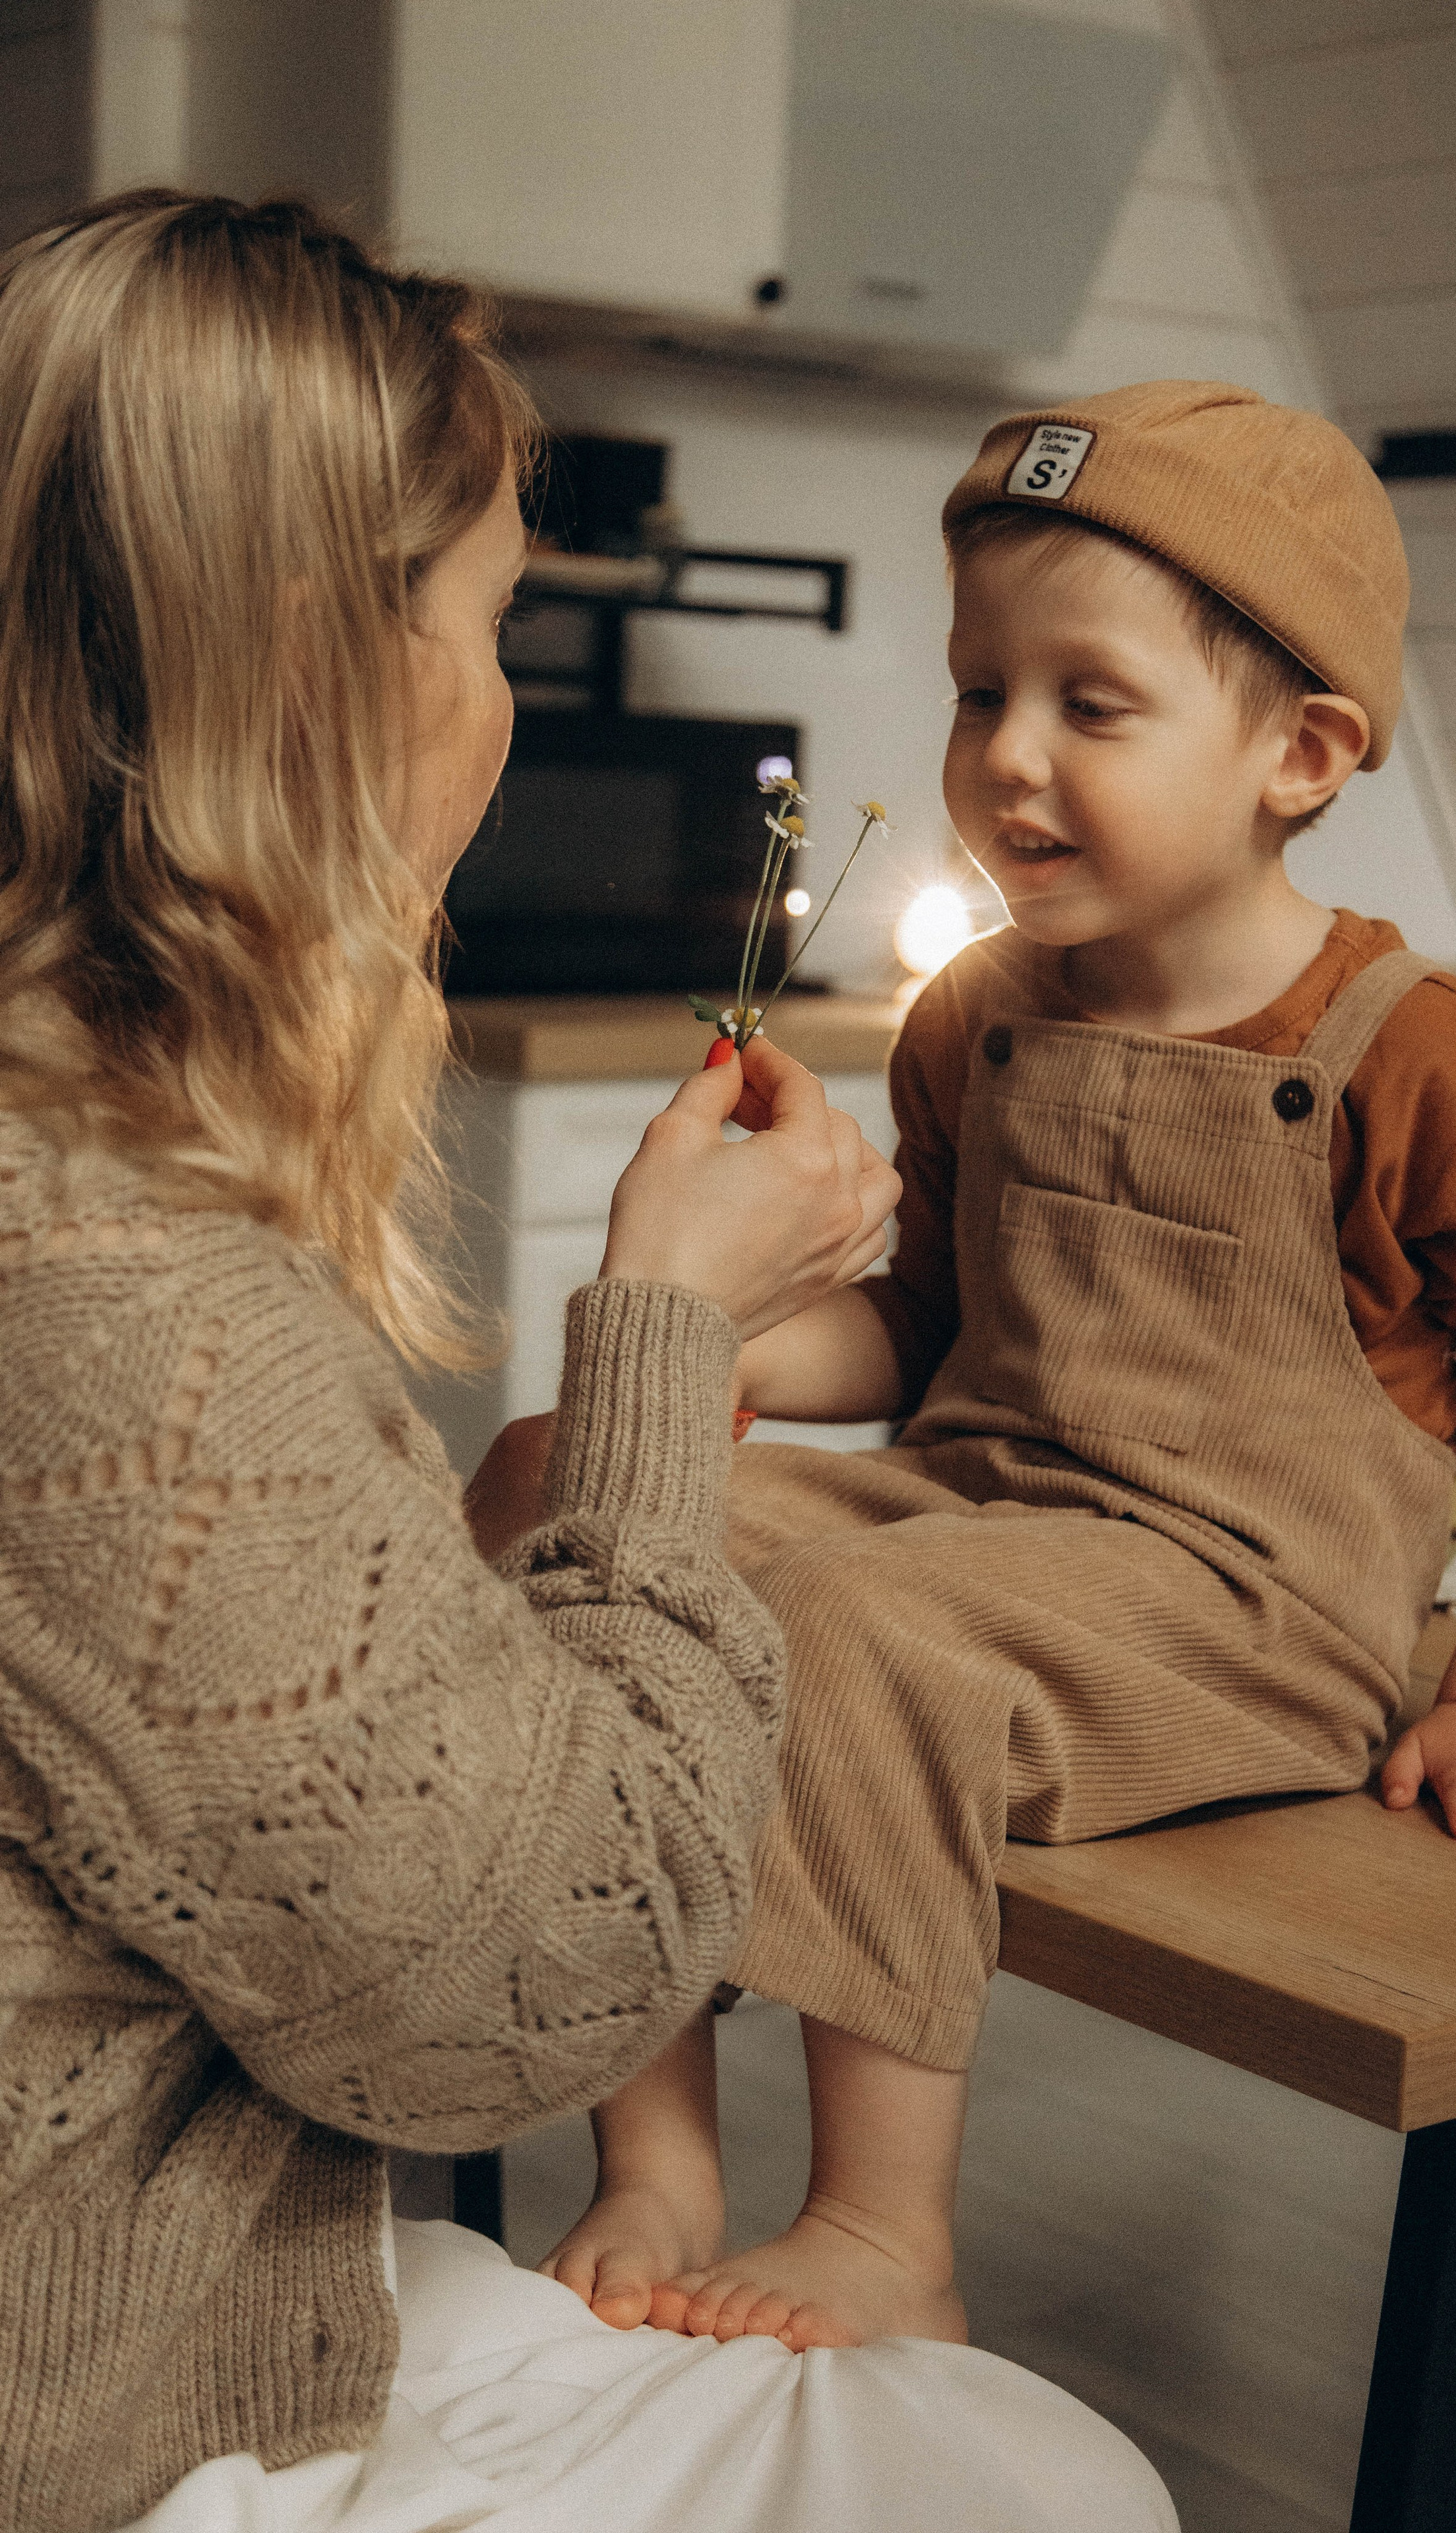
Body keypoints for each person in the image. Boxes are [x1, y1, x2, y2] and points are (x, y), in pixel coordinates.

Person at [0, 198, 1177, 2533]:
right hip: (91, 2393)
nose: (502, 696)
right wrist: (670, 1332)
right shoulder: (118, 1287)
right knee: (1051, 2484)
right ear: (316, 669)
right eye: (490, 616)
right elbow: (511, 1997)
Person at [545, 382, 1456, 2356]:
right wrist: (714, 1349)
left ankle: (886, 2233)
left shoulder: (1425, 1053)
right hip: (984, 1500)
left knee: (870, 1635)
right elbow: (939, 1336)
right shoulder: (975, 1014)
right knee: (570, 1489)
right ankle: (658, 2152)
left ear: (1297, 754)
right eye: (982, 692)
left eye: (1090, 706)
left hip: (1251, 1613)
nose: (1005, 760)